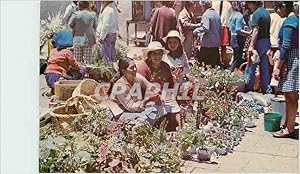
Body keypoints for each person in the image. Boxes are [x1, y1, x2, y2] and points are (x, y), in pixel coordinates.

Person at [137, 41, 182, 131]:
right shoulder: (143, 67)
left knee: (175, 106)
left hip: (163, 95)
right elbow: (139, 87)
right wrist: (153, 96)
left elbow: (170, 86)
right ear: (149, 55)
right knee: (153, 110)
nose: (157, 56)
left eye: (159, 53)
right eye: (154, 54)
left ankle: (182, 128)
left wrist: (165, 94)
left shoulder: (165, 66)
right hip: (148, 97)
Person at [273, 1, 299, 138]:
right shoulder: (293, 19)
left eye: (277, 7)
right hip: (292, 58)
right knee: (289, 95)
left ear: (283, 6)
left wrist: (278, 67)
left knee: (291, 95)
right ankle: (289, 124)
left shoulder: (290, 21)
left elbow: (286, 45)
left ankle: (289, 128)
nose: (276, 11)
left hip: (292, 59)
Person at [113, 57, 163, 126]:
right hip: (123, 112)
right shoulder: (120, 86)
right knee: (143, 118)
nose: (135, 70)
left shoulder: (137, 77)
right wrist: (147, 100)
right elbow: (130, 107)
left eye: (135, 67)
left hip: (138, 107)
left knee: (159, 105)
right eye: (131, 68)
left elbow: (150, 86)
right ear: (124, 71)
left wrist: (156, 94)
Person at [245, 1, 272, 94]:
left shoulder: (256, 14)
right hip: (266, 41)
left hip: (258, 42)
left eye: (249, 4)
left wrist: (251, 46)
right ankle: (267, 89)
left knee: (251, 65)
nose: (248, 6)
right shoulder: (266, 13)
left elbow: (256, 30)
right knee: (264, 67)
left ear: (253, 3)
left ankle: (248, 87)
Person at [193, 1, 222, 68]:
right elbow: (220, 28)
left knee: (203, 65)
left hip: (207, 44)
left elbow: (206, 28)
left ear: (203, 5)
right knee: (214, 66)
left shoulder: (206, 14)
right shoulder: (217, 14)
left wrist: (196, 30)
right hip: (215, 43)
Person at [229, 1, 251, 72]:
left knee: (236, 57)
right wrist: (248, 33)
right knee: (237, 60)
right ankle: (232, 74)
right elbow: (238, 30)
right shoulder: (240, 16)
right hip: (238, 39)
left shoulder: (233, 14)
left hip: (233, 38)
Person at [212, 0, 232, 66]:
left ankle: (217, 61)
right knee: (223, 46)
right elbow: (230, 16)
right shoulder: (228, 4)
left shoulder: (213, 2)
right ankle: (223, 61)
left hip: (215, 25)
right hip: (224, 26)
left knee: (215, 45)